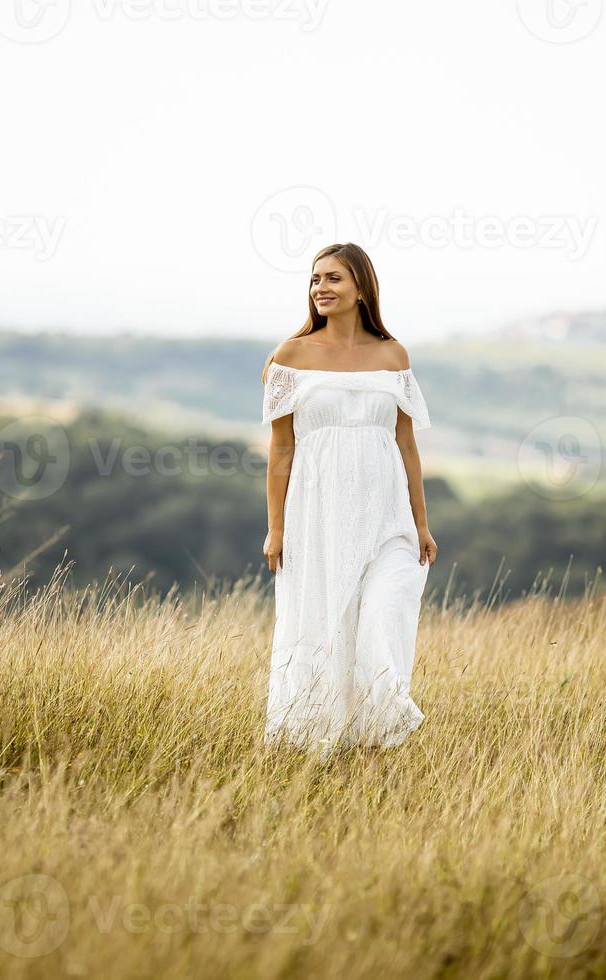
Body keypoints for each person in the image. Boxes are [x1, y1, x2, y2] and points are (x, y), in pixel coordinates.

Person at [260, 242, 438, 754]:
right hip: (317, 518)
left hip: (388, 518)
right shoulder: (289, 358)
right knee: (322, 628)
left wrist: (421, 525)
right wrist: (276, 528)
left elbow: (407, 444)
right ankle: (320, 745)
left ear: (361, 287)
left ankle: (377, 734)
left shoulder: (393, 355)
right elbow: (281, 450)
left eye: (333, 278)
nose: (321, 288)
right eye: (315, 280)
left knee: (384, 617)